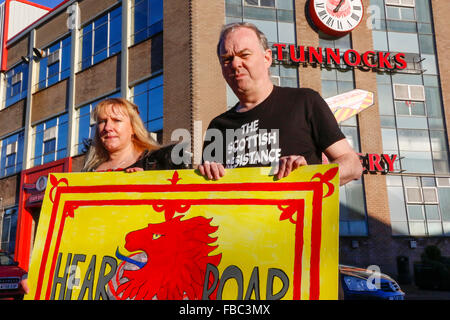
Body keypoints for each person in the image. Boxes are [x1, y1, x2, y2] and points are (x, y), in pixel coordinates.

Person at [199, 22, 362, 185]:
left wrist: (310, 175)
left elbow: (352, 165)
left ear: (267, 58)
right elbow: (207, 195)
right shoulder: (218, 126)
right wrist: (206, 175)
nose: (235, 64)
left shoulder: (305, 102)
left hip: (296, 209)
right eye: (227, 59)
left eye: (244, 55)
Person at [82, 97, 188, 172]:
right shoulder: (88, 172)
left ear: (133, 128)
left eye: (116, 120)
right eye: (102, 121)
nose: (107, 128)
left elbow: (190, 197)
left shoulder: (166, 159)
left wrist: (150, 185)